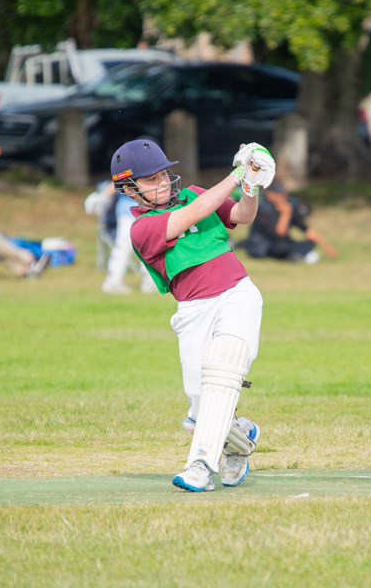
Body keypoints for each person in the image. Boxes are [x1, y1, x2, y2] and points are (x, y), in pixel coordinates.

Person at [110, 139, 274, 492]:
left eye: (164, 175)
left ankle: (200, 466)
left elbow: (242, 216)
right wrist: (236, 174)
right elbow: (194, 213)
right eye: (151, 180)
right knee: (201, 410)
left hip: (236, 293)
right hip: (193, 310)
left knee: (224, 368)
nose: (164, 183)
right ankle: (242, 438)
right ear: (128, 189)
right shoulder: (141, 229)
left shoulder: (196, 193)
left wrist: (250, 186)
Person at [88, 180, 158, 294]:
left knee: (147, 248)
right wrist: (103, 198)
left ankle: (150, 282)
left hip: (144, 210)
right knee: (124, 247)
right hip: (129, 212)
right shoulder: (129, 168)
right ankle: (113, 282)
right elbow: (116, 183)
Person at [243, 182, 337, 263]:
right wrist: (285, 214)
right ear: (270, 195)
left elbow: (306, 230)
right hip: (264, 246)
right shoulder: (263, 210)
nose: (283, 198)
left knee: (310, 243)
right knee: (282, 247)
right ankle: (294, 255)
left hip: (282, 243)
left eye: (284, 195)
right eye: (279, 195)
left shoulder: (289, 206)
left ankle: (295, 255)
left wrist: (327, 247)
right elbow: (280, 233)